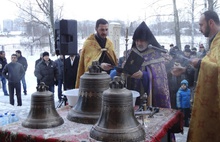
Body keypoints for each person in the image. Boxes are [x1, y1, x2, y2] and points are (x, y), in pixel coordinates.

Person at [186, 10, 220, 142]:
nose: (199, 29)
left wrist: (200, 62)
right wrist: (185, 69)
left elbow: (216, 65)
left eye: (201, 25)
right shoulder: (214, 42)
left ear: (210, 23)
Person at [126, 21, 171, 108]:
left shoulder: (156, 55)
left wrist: (144, 75)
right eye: (137, 40)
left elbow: (160, 80)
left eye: (142, 41)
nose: (139, 43)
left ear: (148, 41)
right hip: (132, 94)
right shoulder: (130, 53)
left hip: (150, 99)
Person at [75, 18, 118, 88]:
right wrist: (100, 66)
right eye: (102, 30)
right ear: (96, 29)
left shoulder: (109, 44)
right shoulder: (89, 44)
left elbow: (114, 61)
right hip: (93, 82)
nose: (104, 32)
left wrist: (112, 65)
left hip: (108, 82)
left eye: (106, 29)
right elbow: (87, 64)